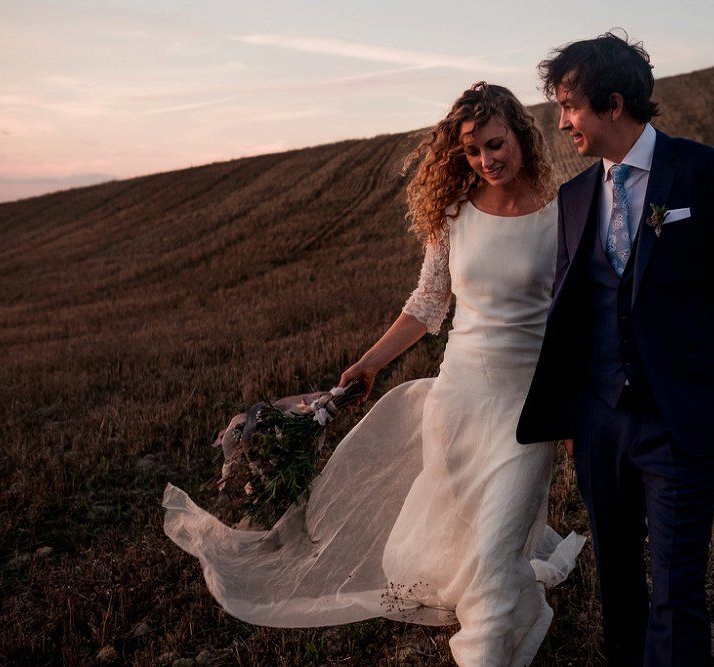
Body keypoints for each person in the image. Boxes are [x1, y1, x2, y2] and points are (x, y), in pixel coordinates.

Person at [164, 82, 584, 667]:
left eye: (495, 144)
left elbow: (578, 315)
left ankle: (488, 649)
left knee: (497, 545)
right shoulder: (456, 215)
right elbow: (427, 303)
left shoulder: (563, 213)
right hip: (458, 400)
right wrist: (368, 363)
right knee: (471, 538)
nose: (486, 160)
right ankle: (501, 598)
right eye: (472, 152)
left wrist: (577, 403)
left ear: (520, 134)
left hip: (527, 408)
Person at [517, 31, 714, 666]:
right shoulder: (575, 199)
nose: (561, 120)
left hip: (678, 421)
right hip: (599, 423)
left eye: (569, 104)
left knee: (676, 589)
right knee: (617, 582)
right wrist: (576, 413)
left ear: (613, 103)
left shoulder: (702, 173)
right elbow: (569, 308)